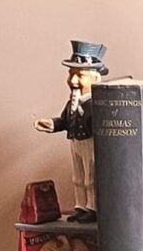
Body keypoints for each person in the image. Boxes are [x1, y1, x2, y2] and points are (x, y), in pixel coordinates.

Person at [35, 40, 109, 221]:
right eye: (71, 74)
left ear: (96, 78)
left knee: (90, 177)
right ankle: (80, 206)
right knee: (78, 175)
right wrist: (52, 124)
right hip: (75, 143)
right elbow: (65, 121)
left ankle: (93, 207)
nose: (73, 81)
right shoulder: (72, 102)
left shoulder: (97, 104)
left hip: (90, 143)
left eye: (80, 75)